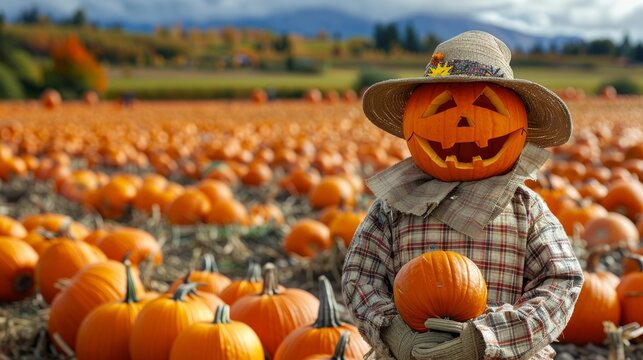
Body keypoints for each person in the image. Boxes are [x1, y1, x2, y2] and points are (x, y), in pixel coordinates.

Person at [341, 30, 584, 359]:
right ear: (411, 121)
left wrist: (489, 339)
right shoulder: (396, 205)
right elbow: (360, 276)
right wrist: (396, 333)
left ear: (521, 125)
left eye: (487, 105)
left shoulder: (524, 209)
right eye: (441, 107)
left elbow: (561, 281)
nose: (465, 123)